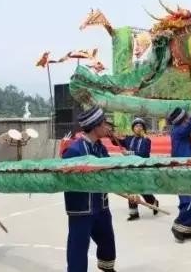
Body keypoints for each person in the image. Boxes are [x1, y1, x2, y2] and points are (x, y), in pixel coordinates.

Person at [63, 106, 117, 272]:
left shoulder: (100, 147)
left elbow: (111, 171)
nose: (107, 127)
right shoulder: (74, 151)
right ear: (95, 126)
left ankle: (106, 267)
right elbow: (65, 179)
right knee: (78, 247)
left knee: (107, 240)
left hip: (100, 204)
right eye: (104, 124)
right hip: (81, 207)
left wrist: (129, 190)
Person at [167, 104, 191, 243]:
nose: (188, 119)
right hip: (182, 170)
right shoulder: (178, 131)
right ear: (182, 119)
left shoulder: (181, 131)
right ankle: (178, 226)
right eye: (186, 117)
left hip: (188, 168)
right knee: (188, 200)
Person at [113, 118, 159, 221]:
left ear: (144, 128)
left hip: (141, 167)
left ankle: (153, 202)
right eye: (136, 126)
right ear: (133, 128)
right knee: (131, 188)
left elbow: (144, 154)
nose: (138, 128)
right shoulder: (129, 139)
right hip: (130, 166)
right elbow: (118, 142)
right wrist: (112, 136)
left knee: (142, 188)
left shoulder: (146, 140)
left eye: (141, 126)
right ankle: (133, 212)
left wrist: (128, 153)